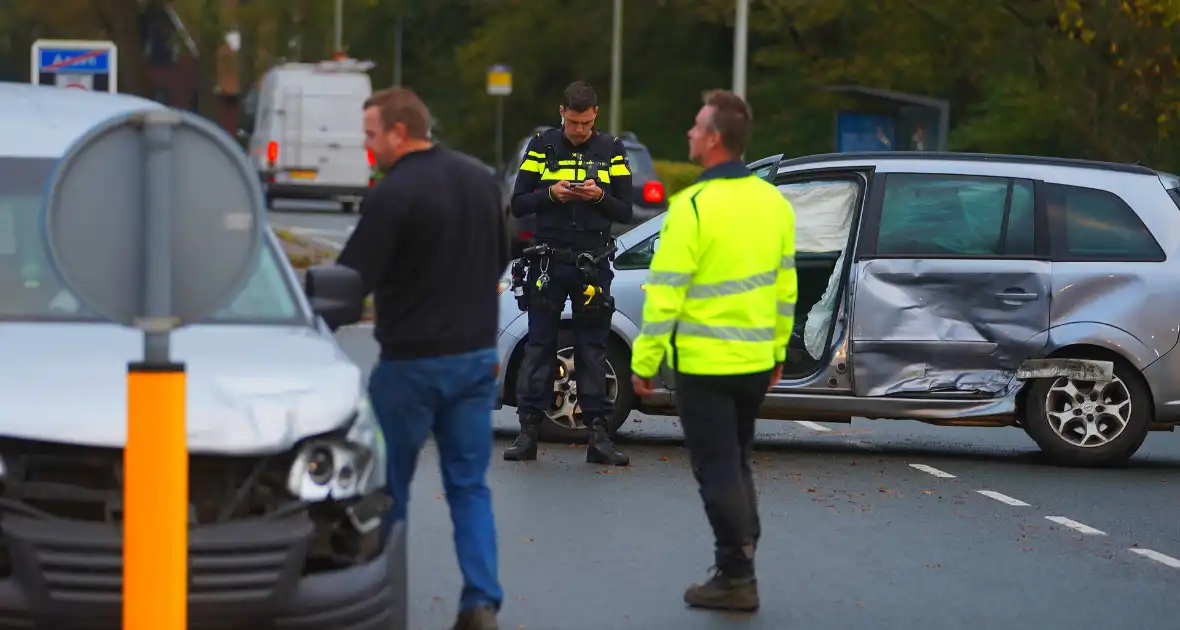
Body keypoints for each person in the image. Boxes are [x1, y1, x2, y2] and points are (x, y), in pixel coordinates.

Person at [336, 86, 509, 630]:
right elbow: (503, 256)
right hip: (477, 360)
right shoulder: (481, 181)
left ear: (398, 132)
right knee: (469, 487)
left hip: (411, 366)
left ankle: (383, 604)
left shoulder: (393, 194)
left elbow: (349, 281)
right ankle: (480, 601)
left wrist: (311, 322)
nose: (368, 148)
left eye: (371, 135)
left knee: (388, 489)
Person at [630, 89, 797, 613]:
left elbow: (665, 292)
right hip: (752, 364)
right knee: (738, 461)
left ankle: (737, 573)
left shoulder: (693, 207)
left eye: (697, 127)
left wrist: (644, 362)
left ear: (716, 139)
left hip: (705, 365)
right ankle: (738, 561)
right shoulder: (773, 202)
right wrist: (776, 352)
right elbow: (785, 287)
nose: (689, 134)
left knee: (716, 467)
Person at [502, 81, 633, 466]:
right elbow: (519, 203)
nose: (579, 130)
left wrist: (598, 197)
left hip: (592, 263)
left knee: (592, 348)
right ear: (562, 112)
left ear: (596, 115)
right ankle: (527, 433)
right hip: (548, 262)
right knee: (539, 346)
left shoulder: (611, 149)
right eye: (574, 122)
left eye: (586, 123)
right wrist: (552, 195)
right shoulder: (542, 145)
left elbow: (625, 210)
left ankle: (598, 436)